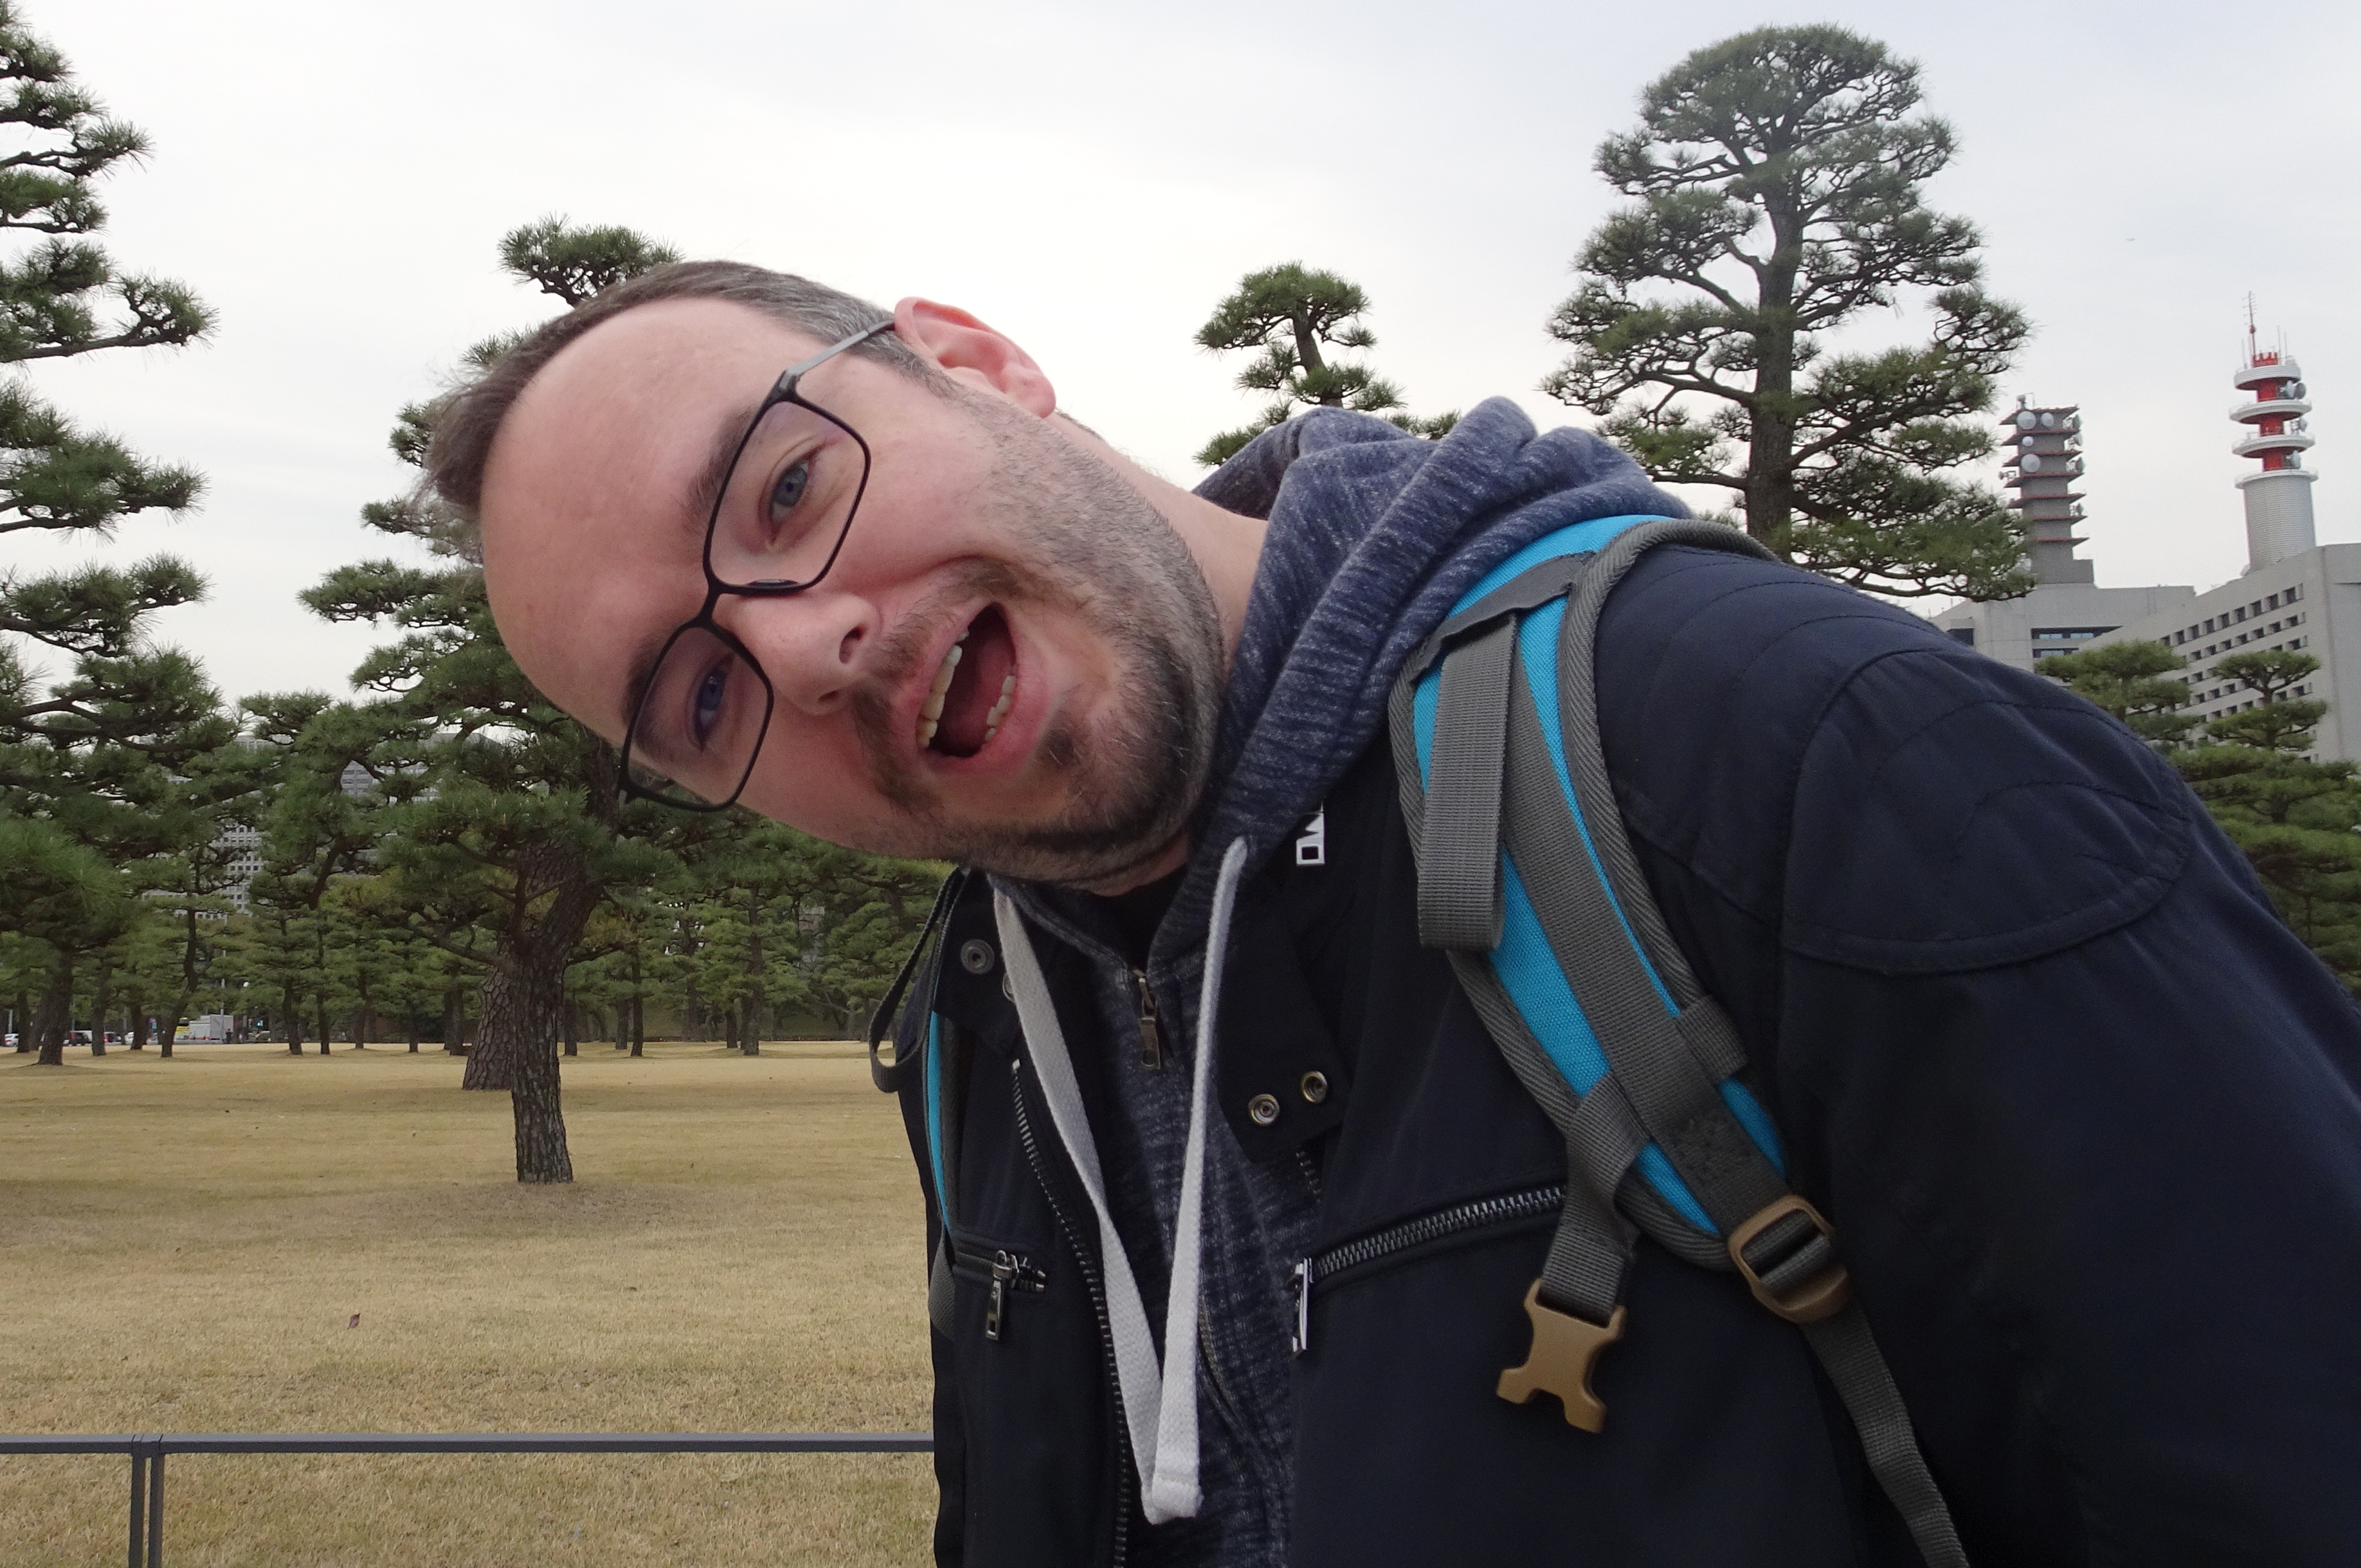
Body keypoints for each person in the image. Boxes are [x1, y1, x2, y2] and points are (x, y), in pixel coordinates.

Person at [420, 258, 2361, 1566]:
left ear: (976, 361)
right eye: (698, 699)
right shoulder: (981, 1013)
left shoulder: (1807, 758)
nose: (805, 643)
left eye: (783, 492)